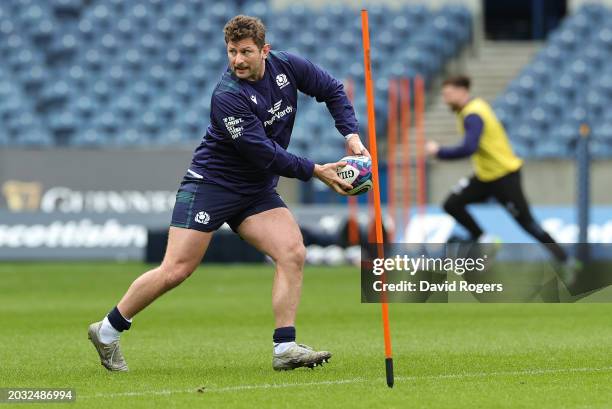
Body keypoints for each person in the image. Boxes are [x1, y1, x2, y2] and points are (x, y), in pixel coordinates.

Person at [88, 15, 369, 372]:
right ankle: (108, 330)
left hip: (255, 191)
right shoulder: (227, 97)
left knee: (292, 252)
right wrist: (316, 171)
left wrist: (350, 135)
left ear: (264, 50)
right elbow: (263, 153)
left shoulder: (287, 66)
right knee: (176, 269)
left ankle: (284, 348)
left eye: (245, 52)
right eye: (232, 52)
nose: (237, 59)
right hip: (211, 185)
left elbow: (331, 89)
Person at [425, 75, 569, 264]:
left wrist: (439, 152)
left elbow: (469, 147)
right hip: (485, 176)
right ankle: (484, 239)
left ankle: (566, 261)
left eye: (448, 94)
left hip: (504, 177)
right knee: (451, 204)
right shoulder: (472, 109)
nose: (445, 99)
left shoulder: (473, 114)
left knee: (527, 224)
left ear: (462, 92)